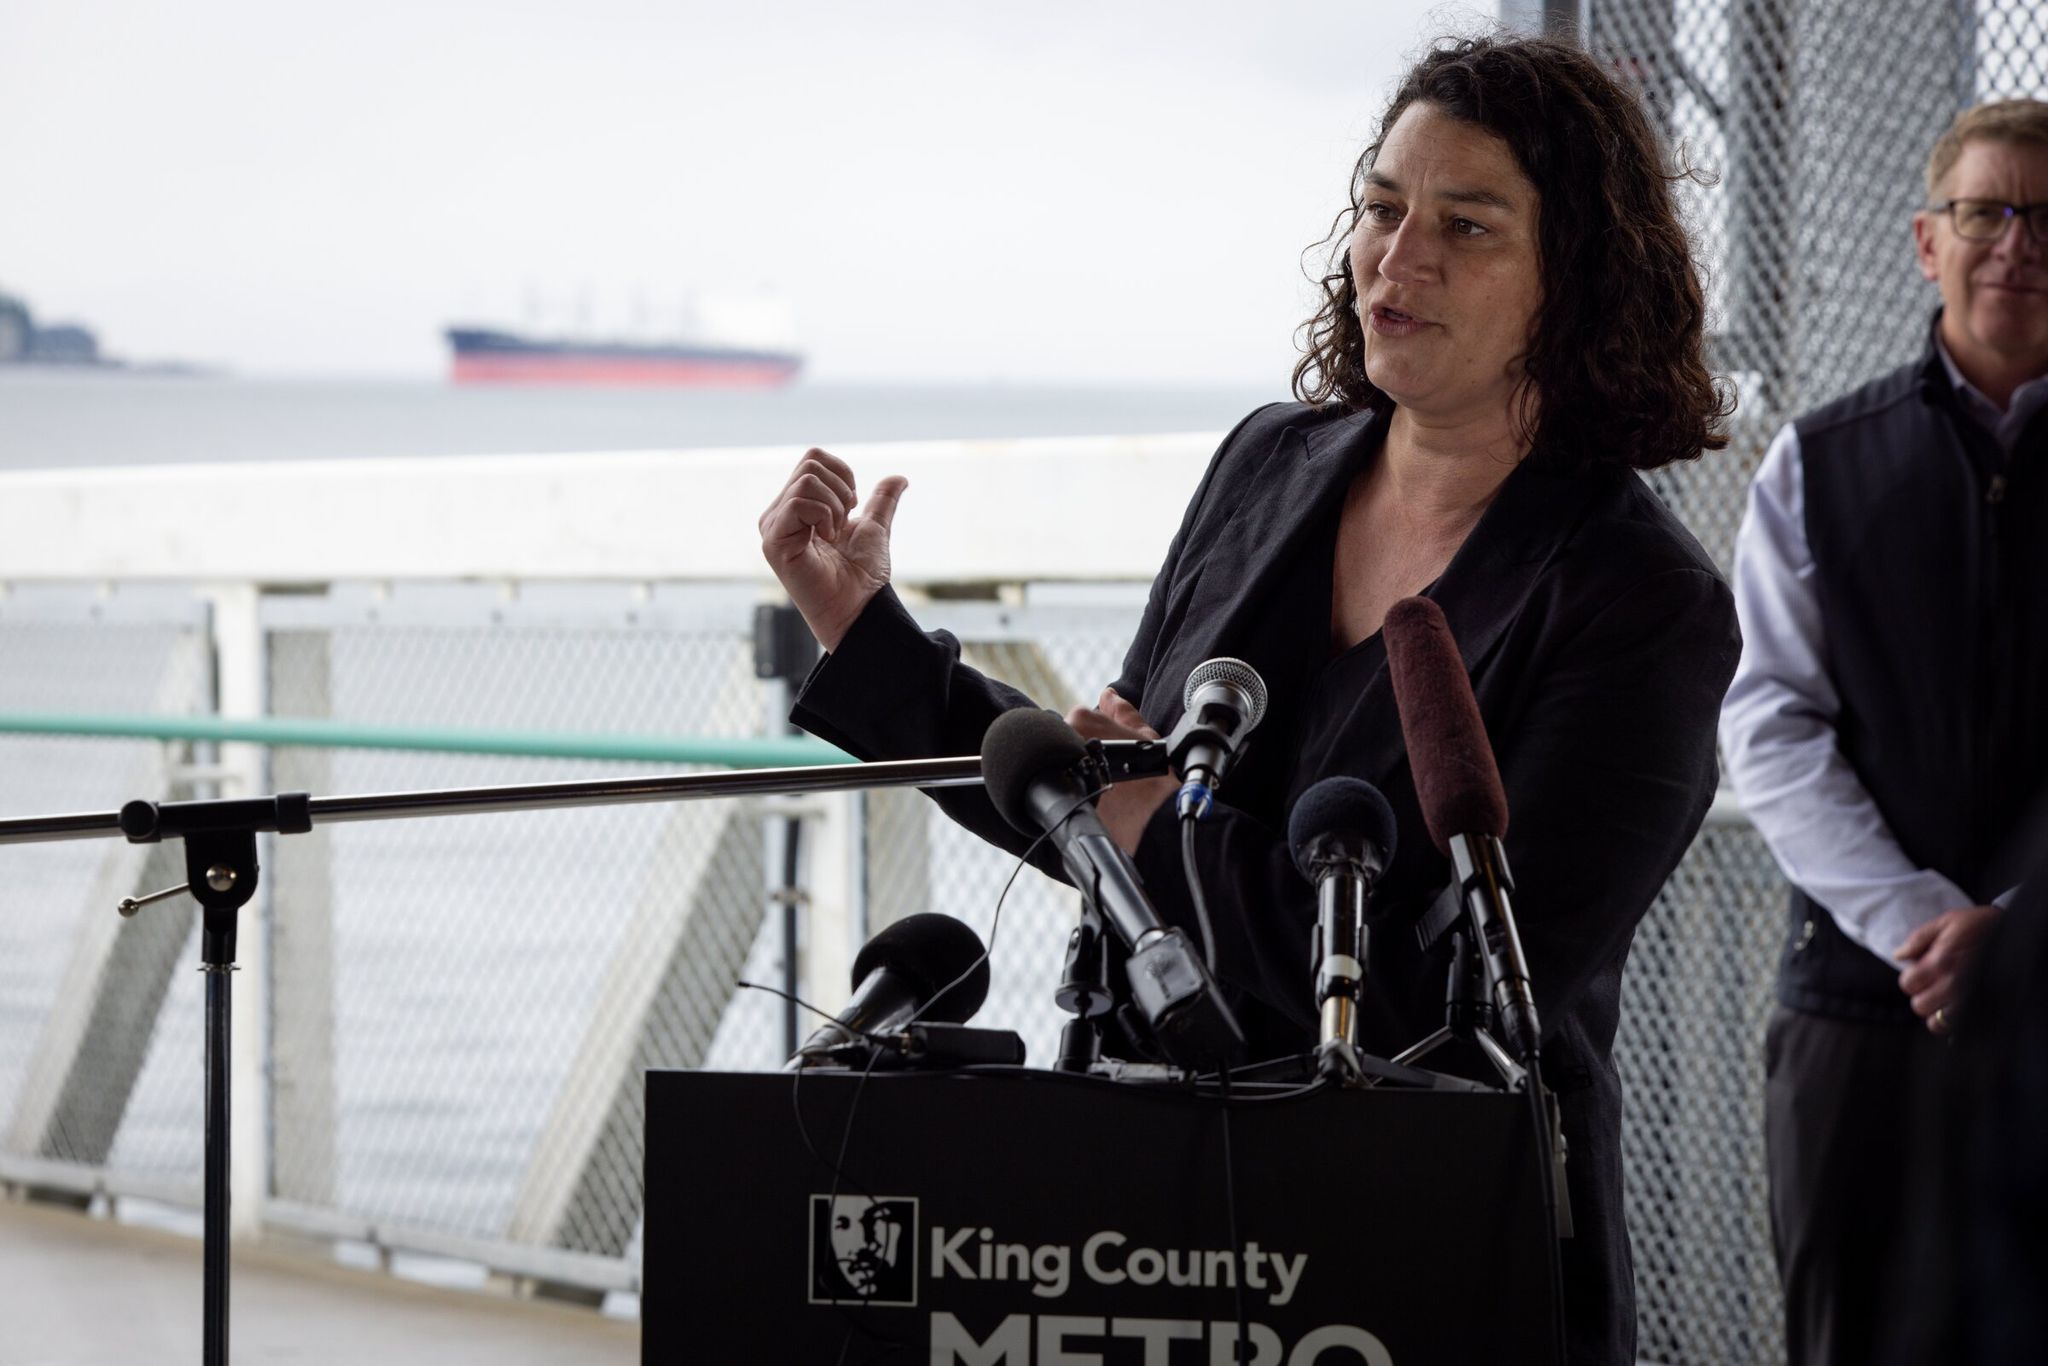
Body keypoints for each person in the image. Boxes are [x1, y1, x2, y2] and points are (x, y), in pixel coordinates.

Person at [761, 35, 1739, 1366]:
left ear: (1580, 276)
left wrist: (1161, 829)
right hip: (1138, 1223)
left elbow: (1448, 998)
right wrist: (860, 630)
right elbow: (1099, 812)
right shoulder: (1268, 464)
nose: (1402, 255)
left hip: (1427, 1254)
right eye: (1383, 207)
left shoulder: (1642, 603)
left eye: (1467, 224)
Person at [1717, 98, 2048, 1366]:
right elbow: (1769, 722)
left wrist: (2015, 935)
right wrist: (1925, 926)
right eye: (1983, 212)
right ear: (1927, 242)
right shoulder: (1815, 461)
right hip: (1859, 1013)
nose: (2014, 243)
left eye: (2042, 216)